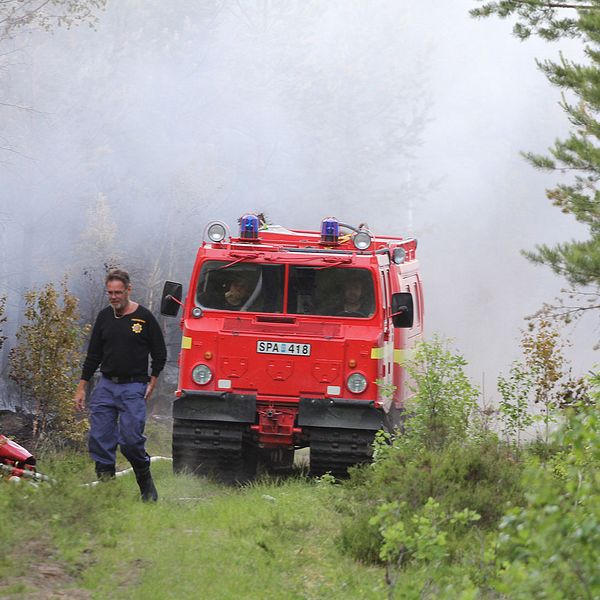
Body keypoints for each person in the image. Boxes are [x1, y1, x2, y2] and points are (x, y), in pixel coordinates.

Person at [73, 269, 167, 502]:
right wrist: (81, 386)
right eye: (110, 293)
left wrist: (152, 382)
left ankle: (147, 488)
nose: (114, 297)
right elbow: (93, 354)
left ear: (128, 290)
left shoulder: (144, 318)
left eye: (118, 292)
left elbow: (160, 353)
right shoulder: (105, 317)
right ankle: (108, 493)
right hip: (106, 386)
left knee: (130, 441)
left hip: (133, 387)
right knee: (100, 438)